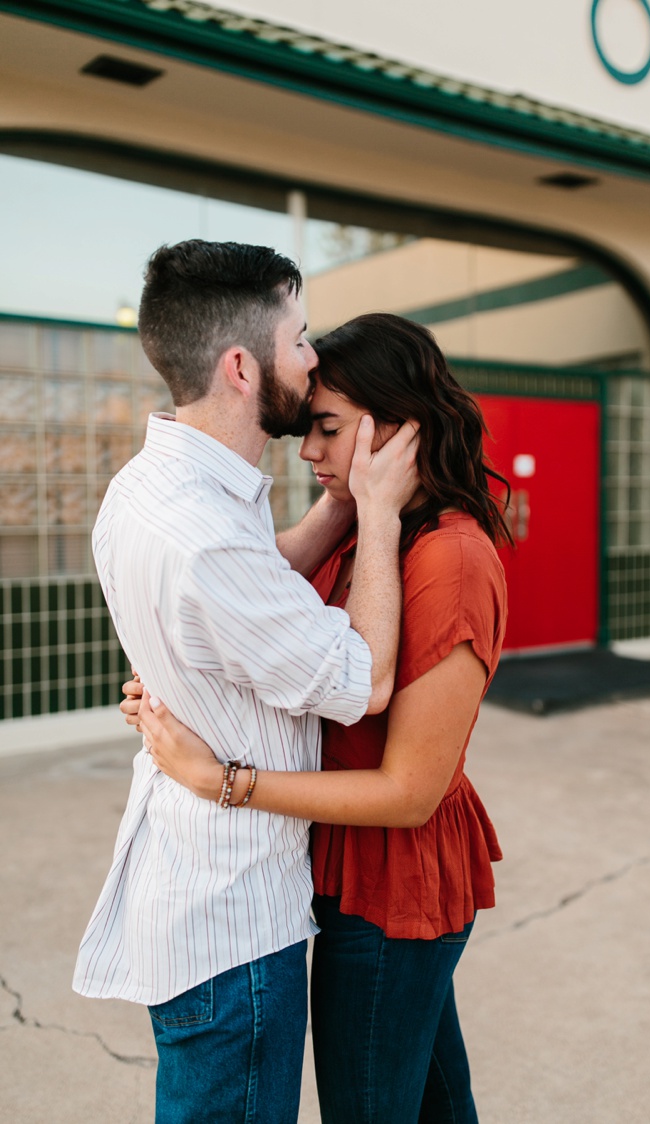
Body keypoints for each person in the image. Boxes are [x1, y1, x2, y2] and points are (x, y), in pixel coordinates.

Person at [124, 312, 510, 1124]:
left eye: (327, 430)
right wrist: (180, 673)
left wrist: (221, 780)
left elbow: (409, 791)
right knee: (438, 1107)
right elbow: (262, 615)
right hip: (345, 875)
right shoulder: (376, 536)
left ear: (397, 427)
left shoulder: (448, 557)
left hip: (392, 889)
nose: (307, 451)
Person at [74, 241, 419, 1124]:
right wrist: (377, 516)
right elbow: (364, 680)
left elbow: (252, 583)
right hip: (233, 927)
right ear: (241, 366)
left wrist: (339, 500)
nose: (311, 358)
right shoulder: (207, 538)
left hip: (186, 889)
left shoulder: (145, 488)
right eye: (299, 339)